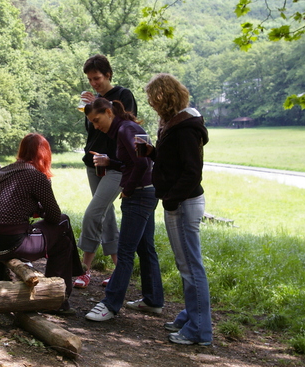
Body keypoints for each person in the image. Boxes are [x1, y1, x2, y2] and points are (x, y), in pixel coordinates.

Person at [144, 73, 212, 346]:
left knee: (191, 268)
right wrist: (152, 152)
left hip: (183, 204)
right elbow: (172, 161)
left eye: (153, 98)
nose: (150, 103)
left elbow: (192, 171)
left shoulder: (185, 127)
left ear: (164, 97)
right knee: (186, 265)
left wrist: (171, 198)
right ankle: (190, 315)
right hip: (178, 202)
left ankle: (199, 331)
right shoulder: (175, 124)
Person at [0, 133, 84, 313]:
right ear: (44, 154)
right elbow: (54, 216)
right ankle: (58, 300)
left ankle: (67, 285)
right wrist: (40, 208)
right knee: (64, 226)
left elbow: (14, 205)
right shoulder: (36, 176)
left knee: (64, 232)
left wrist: (35, 208)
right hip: (12, 243)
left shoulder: (3, 171)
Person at [83, 98, 164, 322]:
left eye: (97, 120)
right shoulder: (130, 128)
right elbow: (138, 160)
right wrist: (112, 162)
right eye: (92, 123)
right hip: (148, 191)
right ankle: (153, 300)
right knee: (146, 247)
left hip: (139, 194)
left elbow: (142, 163)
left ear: (109, 112)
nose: (96, 126)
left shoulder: (125, 130)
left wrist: (127, 188)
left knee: (126, 250)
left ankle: (110, 304)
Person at [74, 54, 139, 289]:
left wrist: (101, 103)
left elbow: (126, 123)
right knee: (105, 213)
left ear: (108, 74)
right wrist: (89, 108)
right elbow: (93, 131)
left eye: (97, 78)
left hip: (115, 164)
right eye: (90, 80)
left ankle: (83, 268)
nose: (94, 83)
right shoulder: (95, 99)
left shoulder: (123, 95)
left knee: (93, 213)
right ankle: (114, 269)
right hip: (93, 162)